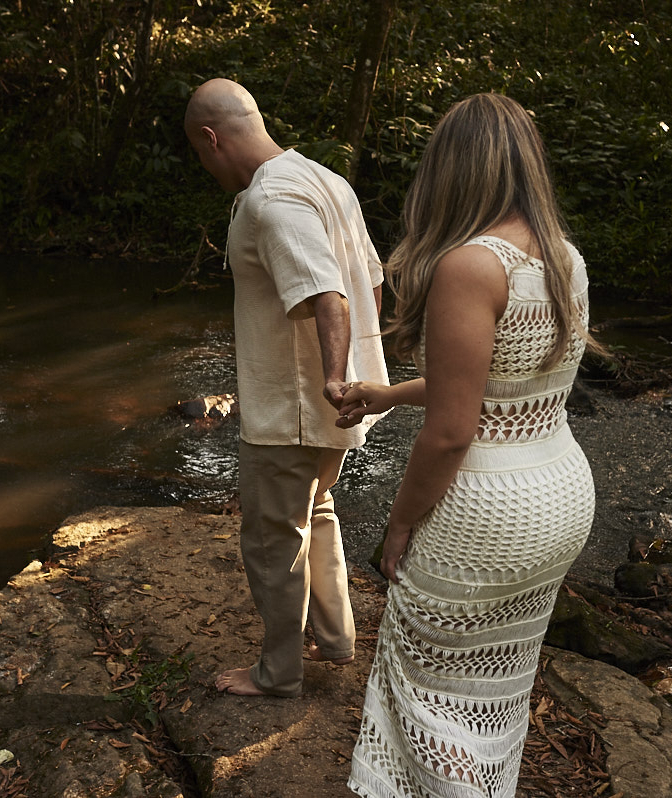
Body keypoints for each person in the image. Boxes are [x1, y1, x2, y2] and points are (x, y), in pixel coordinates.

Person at [339, 93, 596, 796]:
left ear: (449, 169)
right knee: (493, 694)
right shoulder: (564, 258)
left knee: (427, 690)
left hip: (489, 515)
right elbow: (502, 384)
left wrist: (399, 523)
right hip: (561, 495)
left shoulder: (470, 264)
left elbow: (454, 431)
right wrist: (391, 394)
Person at [184, 78, 389, 698]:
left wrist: (331, 376)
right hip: (345, 400)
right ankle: (336, 640)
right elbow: (371, 282)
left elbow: (327, 290)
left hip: (297, 405)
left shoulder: (270, 200)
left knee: (274, 539)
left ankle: (278, 673)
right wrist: (361, 368)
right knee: (316, 509)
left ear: (211, 138)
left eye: (199, 152)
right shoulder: (326, 179)